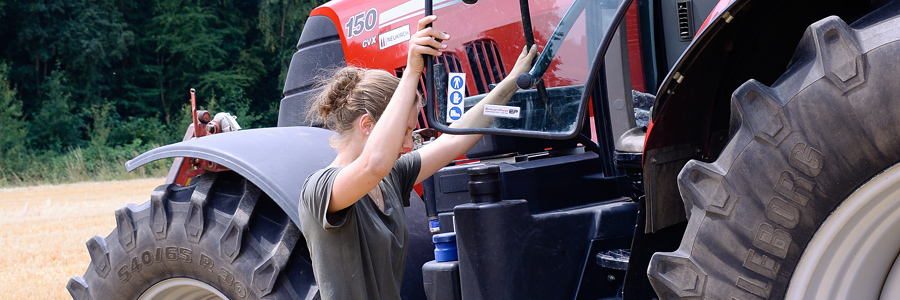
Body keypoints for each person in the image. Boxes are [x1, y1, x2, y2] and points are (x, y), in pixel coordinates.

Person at [299, 15, 538, 300]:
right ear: (367, 126)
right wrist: (411, 72)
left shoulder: (391, 176)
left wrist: (511, 83)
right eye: (404, 131)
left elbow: (456, 137)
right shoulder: (319, 190)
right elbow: (372, 165)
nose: (407, 145)